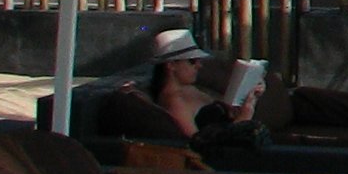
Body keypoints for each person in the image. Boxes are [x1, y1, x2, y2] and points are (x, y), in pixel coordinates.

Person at [91, 27, 261, 149]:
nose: (199, 66)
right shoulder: (174, 101)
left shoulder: (191, 90)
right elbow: (199, 145)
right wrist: (244, 118)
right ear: (171, 65)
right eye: (192, 61)